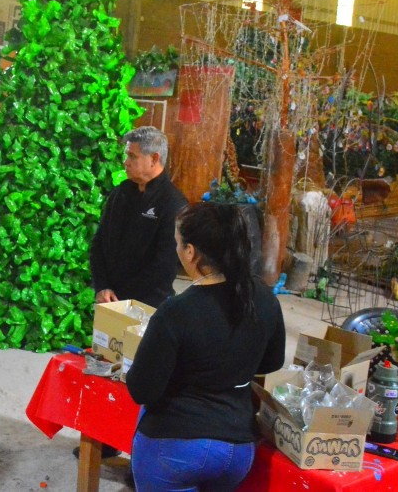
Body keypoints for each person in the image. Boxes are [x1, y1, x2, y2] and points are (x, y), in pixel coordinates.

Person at [125, 201, 286, 492]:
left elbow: (142, 390)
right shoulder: (265, 299)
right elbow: (272, 362)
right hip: (237, 452)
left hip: (176, 447)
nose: (176, 249)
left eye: (177, 243)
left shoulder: (175, 312)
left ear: (190, 251)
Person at [90, 126, 188, 308]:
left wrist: (123, 296)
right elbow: (98, 243)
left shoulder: (173, 203)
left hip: (148, 304)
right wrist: (102, 286)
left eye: (132, 156)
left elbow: (164, 265)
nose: (125, 162)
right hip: (109, 300)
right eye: (126, 155)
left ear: (154, 159)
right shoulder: (120, 193)